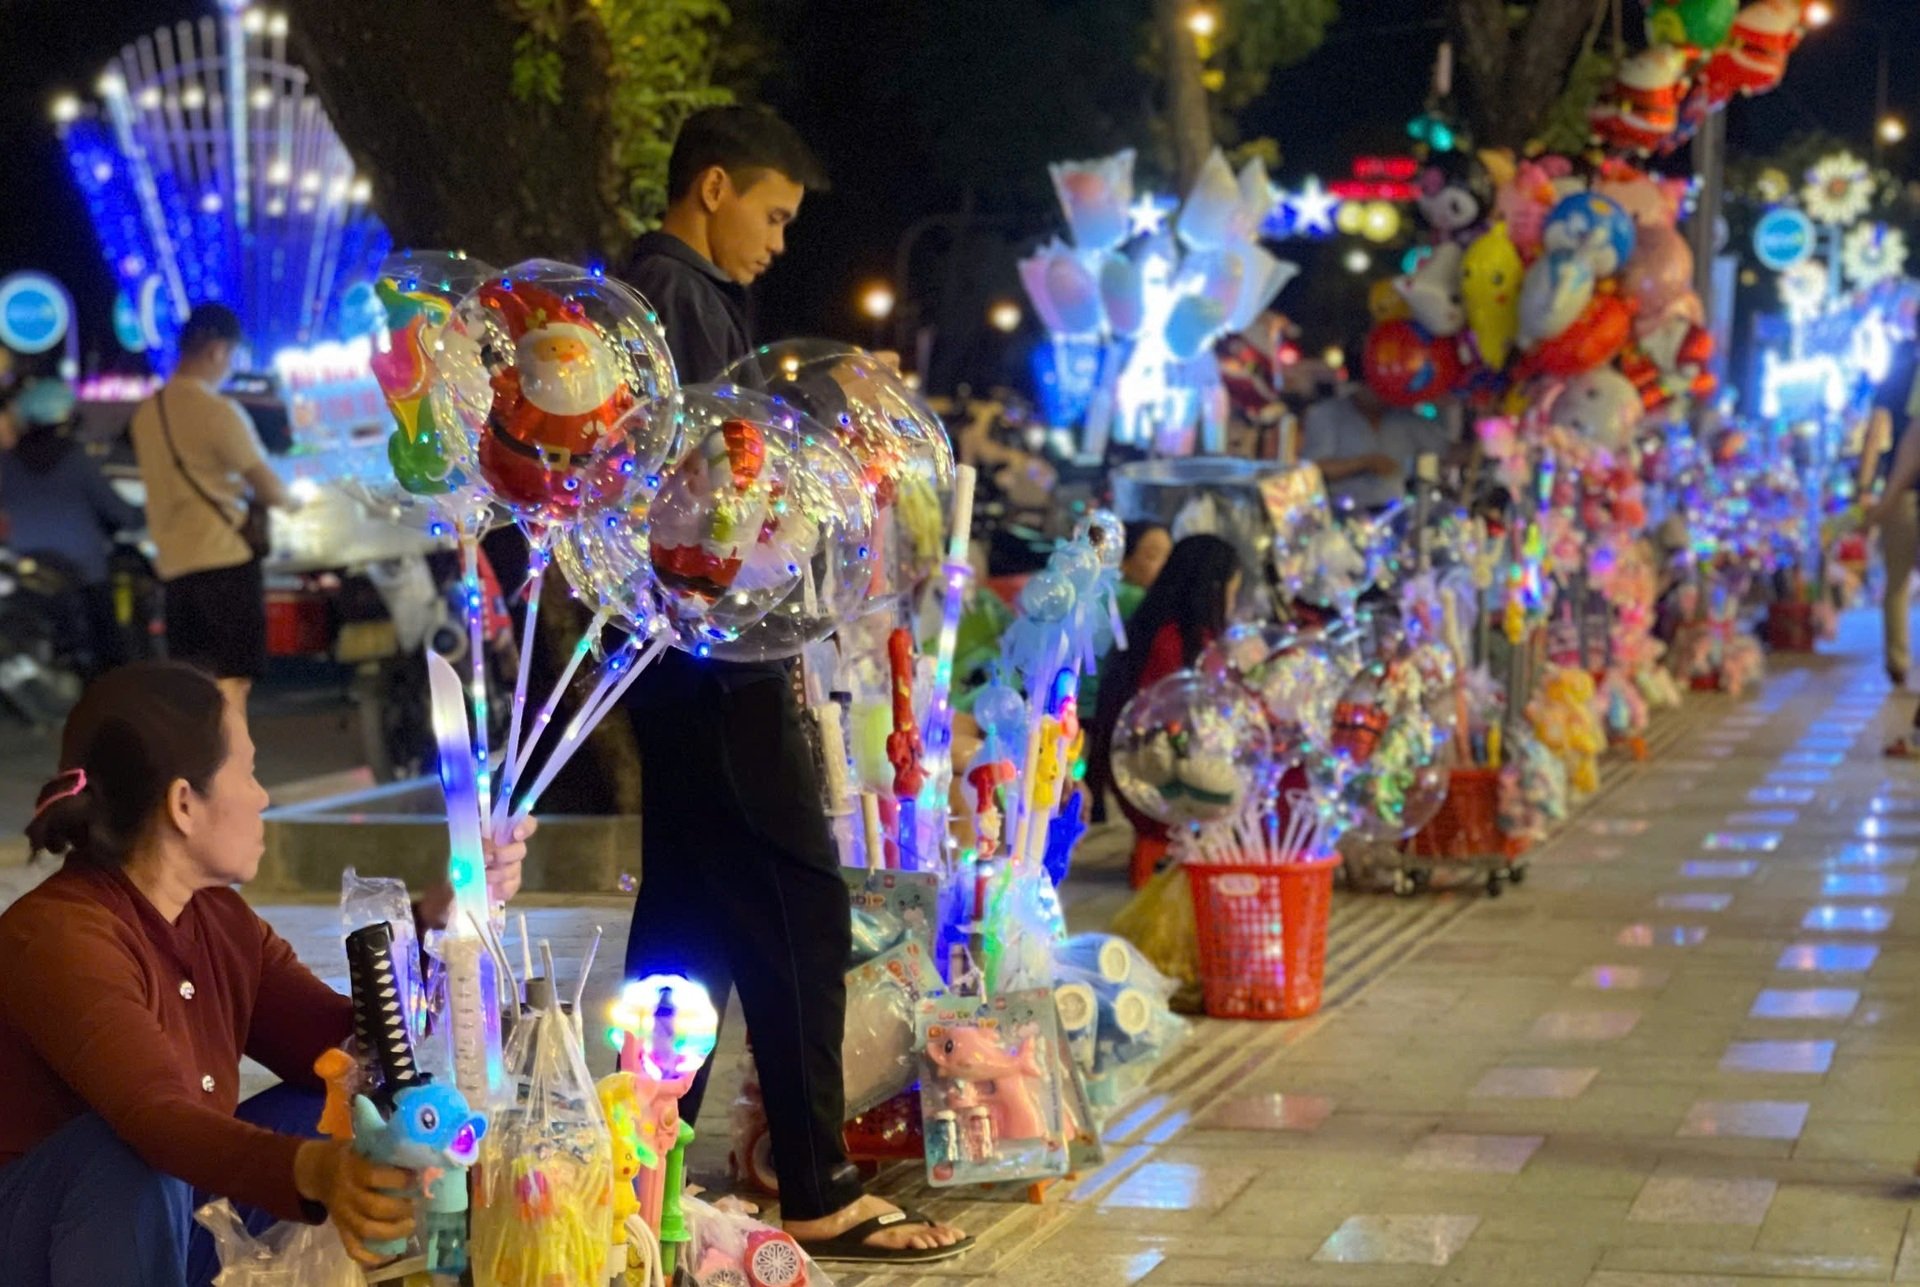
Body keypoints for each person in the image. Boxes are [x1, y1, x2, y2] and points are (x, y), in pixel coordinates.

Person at [620, 107, 967, 1264]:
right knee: (798, 908)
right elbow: (715, 472)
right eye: (771, 217)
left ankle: (640, 1174)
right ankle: (815, 1187)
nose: (776, 244)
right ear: (713, 187)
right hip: (717, 662)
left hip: (691, 659)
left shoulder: (680, 296)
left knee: (687, 926)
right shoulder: (673, 295)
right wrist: (834, 414)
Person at [0, 662, 532, 1286]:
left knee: (339, 1097)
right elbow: (156, 1116)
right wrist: (313, 1172)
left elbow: (342, 1045)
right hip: (48, 1248)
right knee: (129, 1153)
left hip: (165, 1217)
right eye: (249, 773)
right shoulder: (59, 935)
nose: (263, 797)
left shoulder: (219, 920)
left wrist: (443, 922)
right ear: (183, 804)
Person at [131, 303, 298, 712]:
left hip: (175, 574)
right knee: (231, 688)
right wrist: (295, 500)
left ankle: (204, 755)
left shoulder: (145, 415)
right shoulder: (217, 411)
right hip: (225, 568)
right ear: (218, 350)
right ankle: (231, 754)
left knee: (194, 694)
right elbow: (271, 490)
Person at [1088, 534, 1242, 888]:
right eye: (1232, 592)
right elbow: (1168, 720)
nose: (1233, 602)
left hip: (1158, 763)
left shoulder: (1173, 631)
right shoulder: (1173, 640)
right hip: (1155, 771)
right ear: (1214, 589)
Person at [0, 378, 144, 676]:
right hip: (85, 579)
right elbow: (121, 514)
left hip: (26, 578)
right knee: (113, 661)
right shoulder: (78, 461)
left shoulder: (6, 464)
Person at [1300, 382, 1455, 512]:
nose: (1383, 395)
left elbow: (1447, 450)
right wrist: (1365, 462)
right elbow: (1312, 468)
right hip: (1342, 512)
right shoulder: (1327, 414)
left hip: (1393, 513)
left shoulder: (1403, 416)